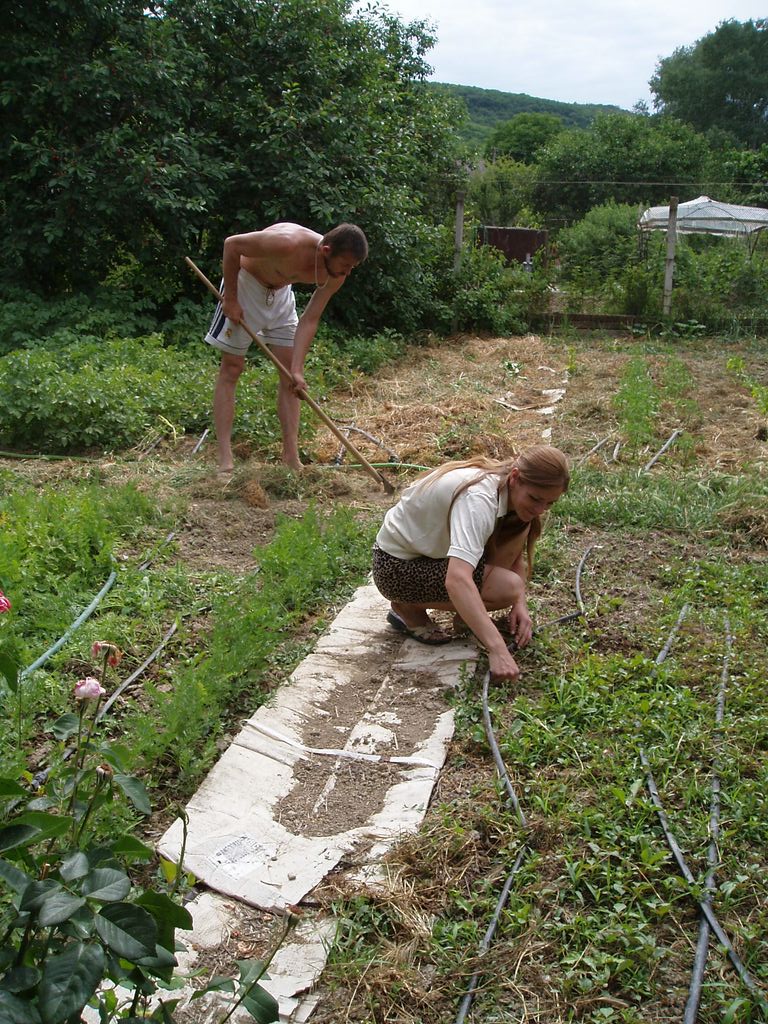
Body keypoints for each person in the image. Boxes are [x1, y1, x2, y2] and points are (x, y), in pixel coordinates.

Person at [372, 445, 569, 681]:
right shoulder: (479, 499)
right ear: (515, 477)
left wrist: (520, 605)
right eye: (535, 499)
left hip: (429, 556)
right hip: (395, 568)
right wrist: (498, 649)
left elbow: (513, 549)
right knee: (507, 587)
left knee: (513, 580)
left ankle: (468, 617)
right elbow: (457, 579)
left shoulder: (507, 490)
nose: (540, 509)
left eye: (549, 504)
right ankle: (408, 607)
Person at [204, 222, 368, 473]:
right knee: (232, 368)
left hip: (280, 295)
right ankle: (225, 460)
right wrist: (231, 299)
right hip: (246, 285)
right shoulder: (287, 243)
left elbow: (310, 319)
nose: (348, 272)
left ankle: (291, 458)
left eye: (352, 267)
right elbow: (232, 245)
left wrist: (298, 369)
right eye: (345, 264)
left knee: (290, 378)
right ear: (325, 250)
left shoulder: (336, 275)